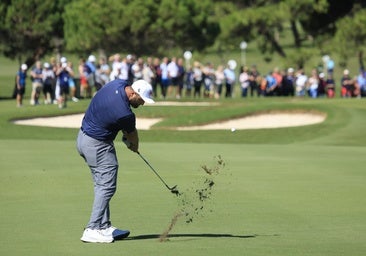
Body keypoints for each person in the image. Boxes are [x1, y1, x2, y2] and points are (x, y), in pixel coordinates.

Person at [77, 79, 155, 243]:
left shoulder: (118, 83)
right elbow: (132, 136)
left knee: (101, 184)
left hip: (83, 139)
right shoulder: (125, 114)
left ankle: (103, 226)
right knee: (106, 185)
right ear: (133, 93)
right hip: (97, 145)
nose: (141, 104)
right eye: (141, 100)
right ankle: (92, 228)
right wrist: (134, 146)